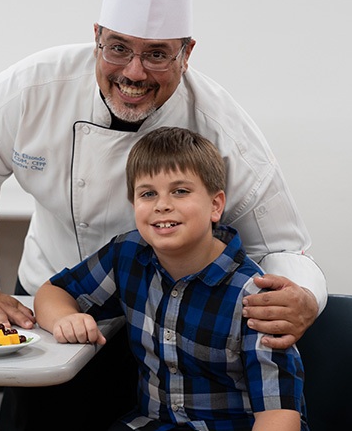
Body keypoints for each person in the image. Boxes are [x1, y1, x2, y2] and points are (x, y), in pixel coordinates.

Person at [0, 0, 325, 431]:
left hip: (176, 336)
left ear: (187, 52)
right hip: (52, 305)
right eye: (118, 49)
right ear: (96, 36)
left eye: (157, 54)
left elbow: (283, 245)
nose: (133, 74)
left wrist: (303, 297)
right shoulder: (31, 90)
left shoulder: (221, 123)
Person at [35, 127, 308, 431]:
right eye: (148, 193)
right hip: (151, 424)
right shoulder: (126, 255)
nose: (162, 204)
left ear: (215, 205)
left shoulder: (254, 296)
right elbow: (53, 292)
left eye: (180, 191)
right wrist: (64, 318)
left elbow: (278, 416)